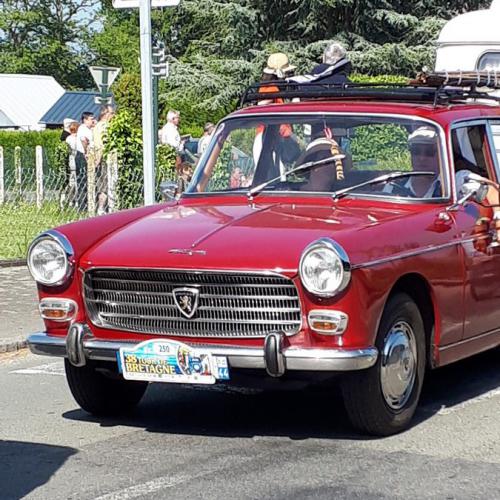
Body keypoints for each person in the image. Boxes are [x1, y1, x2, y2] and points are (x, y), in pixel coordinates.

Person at [93, 105, 115, 215]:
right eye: (112, 113)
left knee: (102, 185)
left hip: (101, 157)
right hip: (104, 159)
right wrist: (98, 159)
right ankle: (102, 209)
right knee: (105, 186)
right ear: (105, 114)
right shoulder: (104, 127)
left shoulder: (97, 126)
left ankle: (102, 208)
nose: (113, 115)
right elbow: (101, 145)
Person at [75, 111, 96, 211]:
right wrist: (86, 152)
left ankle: (87, 204)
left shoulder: (88, 129)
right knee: (82, 181)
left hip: (86, 154)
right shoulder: (83, 129)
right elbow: (84, 140)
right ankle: (82, 206)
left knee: (87, 180)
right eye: (91, 119)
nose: (93, 121)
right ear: (85, 120)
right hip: (82, 155)